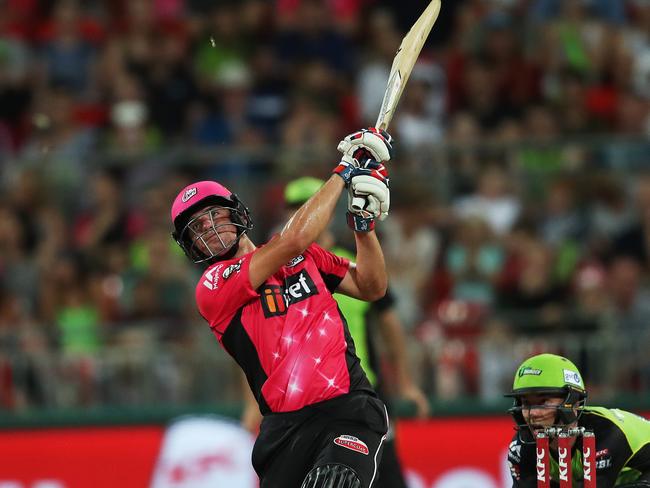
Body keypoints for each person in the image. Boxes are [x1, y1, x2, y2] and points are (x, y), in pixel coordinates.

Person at [170, 127, 394, 488]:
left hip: (347, 409)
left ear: (236, 213)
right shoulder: (212, 287)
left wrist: (363, 228)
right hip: (285, 430)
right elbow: (294, 239)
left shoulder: (307, 256)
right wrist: (345, 170)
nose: (207, 230)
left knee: (333, 482)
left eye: (213, 216)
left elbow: (372, 286)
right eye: (196, 229)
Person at [242, 176, 430, 488]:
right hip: (301, 399)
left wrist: (406, 382)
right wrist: (252, 404)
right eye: (294, 207)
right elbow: (256, 343)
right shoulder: (274, 267)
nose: (298, 213)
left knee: (386, 478)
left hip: (362, 388)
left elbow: (389, 322)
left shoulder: (354, 259)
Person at [505, 353, 650, 487]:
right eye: (525, 403)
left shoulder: (608, 434)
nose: (533, 413)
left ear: (573, 401)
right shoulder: (521, 446)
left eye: (543, 402)